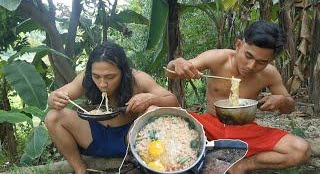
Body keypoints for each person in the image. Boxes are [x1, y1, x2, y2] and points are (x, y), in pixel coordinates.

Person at [165, 20, 310, 173]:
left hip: (244, 129)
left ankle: (239, 166)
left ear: (271, 60)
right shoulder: (218, 58)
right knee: (156, 112)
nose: (251, 66)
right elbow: (171, 73)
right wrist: (177, 63)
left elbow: (288, 108)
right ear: (239, 45)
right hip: (208, 125)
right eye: (248, 56)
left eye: (261, 62)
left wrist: (282, 100)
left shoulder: (270, 73)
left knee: (301, 150)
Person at [45, 41, 179, 174]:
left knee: (153, 110)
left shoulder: (138, 79)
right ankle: (80, 169)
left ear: (123, 71)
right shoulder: (85, 79)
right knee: (53, 117)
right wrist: (54, 98)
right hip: (93, 137)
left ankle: (150, 164)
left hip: (130, 140)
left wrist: (151, 99)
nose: (102, 83)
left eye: (110, 77)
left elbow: (173, 102)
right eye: (96, 76)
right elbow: (57, 95)